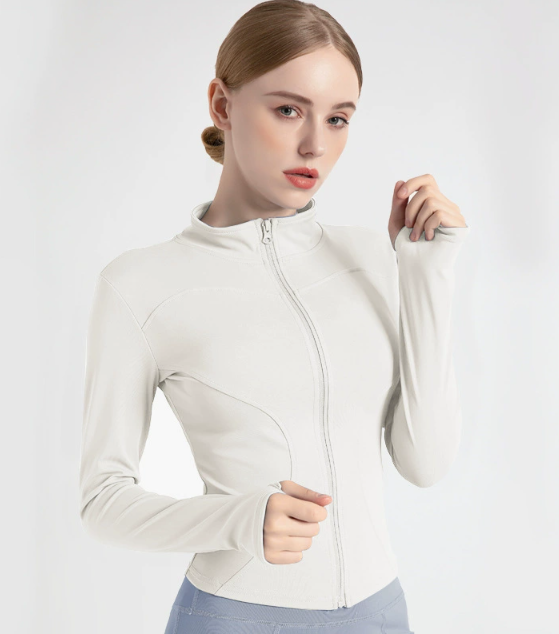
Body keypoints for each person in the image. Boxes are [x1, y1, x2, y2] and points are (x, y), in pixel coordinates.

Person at [79, 1, 470, 632]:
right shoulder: (140, 285)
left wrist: (427, 274)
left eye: (338, 118)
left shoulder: (371, 257)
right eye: (288, 109)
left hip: (380, 613)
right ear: (222, 105)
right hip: (235, 615)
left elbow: (425, 462)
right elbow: (102, 502)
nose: (315, 144)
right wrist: (237, 519)